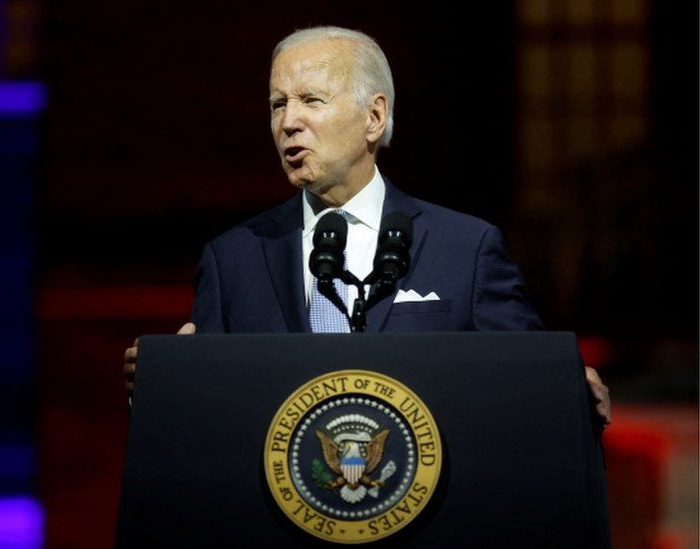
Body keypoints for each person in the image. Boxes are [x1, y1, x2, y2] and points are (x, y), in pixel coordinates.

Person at [123, 26, 610, 423]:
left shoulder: (466, 248)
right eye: (277, 104)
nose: (289, 121)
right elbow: (207, 416)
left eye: (311, 100)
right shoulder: (233, 259)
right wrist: (169, 380)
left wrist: (563, 386)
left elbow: (527, 381)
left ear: (374, 117)